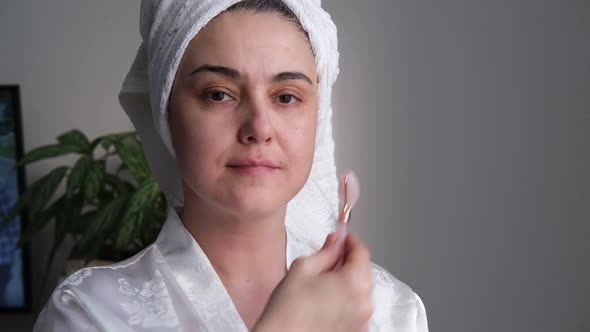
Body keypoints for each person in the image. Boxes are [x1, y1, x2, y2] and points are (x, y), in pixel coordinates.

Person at [34, 0, 429, 331]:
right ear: (165, 113)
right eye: (219, 94)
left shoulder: (392, 311)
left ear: (319, 117)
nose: (259, 127)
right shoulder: (90, 314)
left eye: (287, 97)